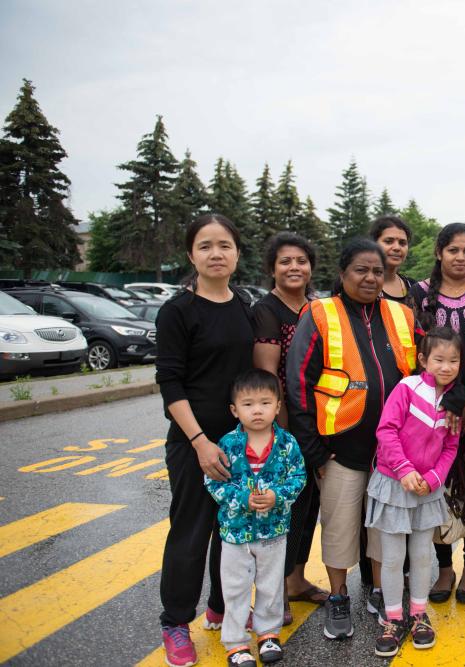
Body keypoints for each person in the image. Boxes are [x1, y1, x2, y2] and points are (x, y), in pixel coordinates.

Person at [285, 238, 419, 642]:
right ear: (343, 274)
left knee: (384, 530)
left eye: (377, 271)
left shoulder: (402, 315)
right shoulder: (320, 313)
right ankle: (339, 597)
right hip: (339, 449)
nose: (371, 277)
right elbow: (298, 384)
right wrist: (316, 452)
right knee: (340, 528)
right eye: (361, 269)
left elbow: (421, 375)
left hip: (391, 453)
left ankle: (380, 593)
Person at [155, 214, 254, 667]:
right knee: (191, 534)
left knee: (231, 534)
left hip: (237, 442)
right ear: (191, 254)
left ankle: (222, 607)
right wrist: (198, 441)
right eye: (205, 246)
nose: (216, 254)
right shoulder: (178, 311)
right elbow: (170, 383)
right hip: (193, 442)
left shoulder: (244, 305)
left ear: (237, 253)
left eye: (225, 246)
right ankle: (176, 621)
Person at [410, 223, 465, 604]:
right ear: (439, 252)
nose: (460, 258)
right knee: (438, 490)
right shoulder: (419, 295)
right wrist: (444, 402)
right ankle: (444, 568)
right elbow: (414, 354)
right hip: (432, 409)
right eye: (453, 250)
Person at [365, 328, 463, 657]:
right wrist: (405, 470)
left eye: (454, 360)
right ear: (422, 359)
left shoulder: (455, 401)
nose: (447, 367)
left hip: (428, 489)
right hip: (395, 484)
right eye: (439, 359)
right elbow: (386, 431)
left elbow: (451, 446)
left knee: (422, 555)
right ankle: (393, 618)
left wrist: (434, 478)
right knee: (393, 559)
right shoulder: (407, 388)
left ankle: (419, 615)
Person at [205, 369, 306, 666]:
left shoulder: (287, 444)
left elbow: (298, 477)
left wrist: (278, 496)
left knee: (271, 585)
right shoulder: (226, 445)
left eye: (265, 402)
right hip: (236, 533)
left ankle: (268, 634)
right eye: (248, 404)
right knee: (235, 588)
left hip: (274, 530)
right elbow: (214, 483)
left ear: (277, 406)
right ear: (235, 410)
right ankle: (236, 643)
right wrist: (241, 499)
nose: (257, 410)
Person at [251, 232, 327, 621]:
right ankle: (274, 590)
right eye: (285, 261)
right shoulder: (268, 310)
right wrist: (283, 434)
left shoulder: (317, 307)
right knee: (284, 511)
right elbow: (268, 379)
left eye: (301, 260)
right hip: (286, 427)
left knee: (309, 505)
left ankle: (296, 579)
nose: (294, 267)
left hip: (316, 422)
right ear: (272, 269)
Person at [371, 215, 416, 305]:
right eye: (389, 241)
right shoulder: (363, 286)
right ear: (373, 244)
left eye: (402, 243)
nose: (397, 248)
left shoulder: (413, 287)